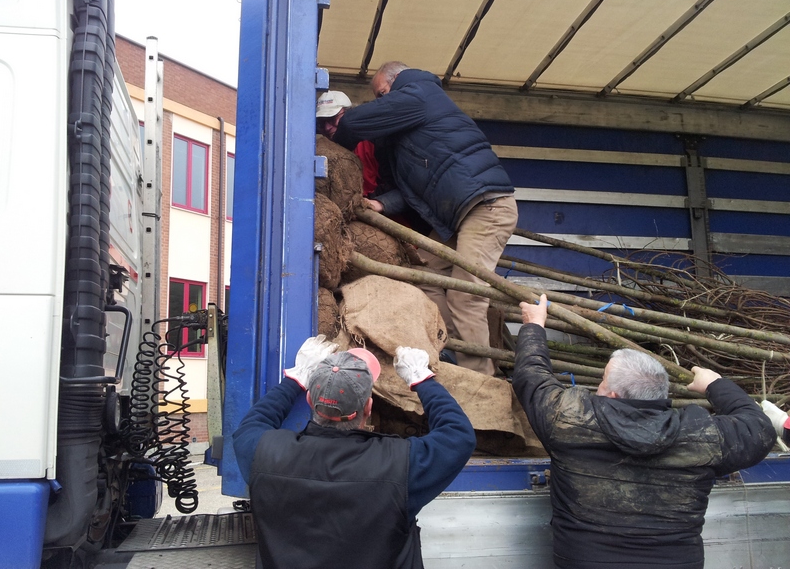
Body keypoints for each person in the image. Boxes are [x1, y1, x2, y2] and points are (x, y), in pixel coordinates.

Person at [512, 293, 776, 569]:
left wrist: (534, 326)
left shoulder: (569, 419)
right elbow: (759, 428)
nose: (598, 387)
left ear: (612, 395)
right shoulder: (702, 435)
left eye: (602, 381)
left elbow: (532, 378)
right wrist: (715, 384)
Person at [333, 61, 518, 375]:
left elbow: (352, 123)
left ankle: (482, 380)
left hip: (486, 207)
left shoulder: (418, 92)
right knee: (422, 274)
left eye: (381, 94)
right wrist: (381, 204)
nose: (381, 102)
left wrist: (334, 151)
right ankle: (454, 349)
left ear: (396, 80)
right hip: (460, 217)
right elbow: (410, 191)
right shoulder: (411, 126)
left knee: (465, 297)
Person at [232, 335, 476, 569]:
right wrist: (421, 379)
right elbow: (458, 436)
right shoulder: (399, 465)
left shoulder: (265, 455)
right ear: (368, 407)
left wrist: (295, 378)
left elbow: (251, 426)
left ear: (309, 401)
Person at [316, 90, 380, 197]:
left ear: (350, 115)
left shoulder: (370, 142)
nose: (327, 128)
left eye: (332, 119)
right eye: (322, 123)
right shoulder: (318, 151)